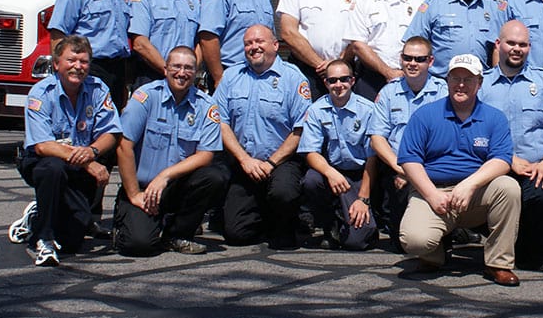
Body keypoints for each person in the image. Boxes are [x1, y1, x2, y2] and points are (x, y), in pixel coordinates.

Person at [396, 53, 521, 286]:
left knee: (508, 187)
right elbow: (409, 159)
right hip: (433, 191)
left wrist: (469, 184)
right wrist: (432, 195)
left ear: (480, 83)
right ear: (447, 80)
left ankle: (498, 264)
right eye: (455, 78)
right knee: (414, 241)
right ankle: (435, 255)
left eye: (468, 79)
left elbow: (502, 160)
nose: (461, 84)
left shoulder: (494, 117)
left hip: (475, 194)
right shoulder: (425, 115)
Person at [8, 36, 121, 266]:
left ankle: (37, 215)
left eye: (84, 62)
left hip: (79, 163)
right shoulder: (41, 93)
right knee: (53, 168)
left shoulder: (98, 89)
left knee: (72, 241)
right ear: (57, 64)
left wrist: (93, 151)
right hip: (44, 162)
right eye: (71, 60)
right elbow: (42, 145)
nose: (77, 67)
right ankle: (44, 239)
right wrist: (88, 162)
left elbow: (112, 132)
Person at [479, 20, 543, 271]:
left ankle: (532, 249)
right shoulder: (481, 85)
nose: (516, 49)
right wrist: (508, 160)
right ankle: (505, 244)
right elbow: (472, 133)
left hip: (537, 166)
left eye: (523, 44)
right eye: (511, 43)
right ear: (498, 45)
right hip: (494, 166)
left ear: (529, 47)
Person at [113, 46, 227, 256]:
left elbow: (206, 155)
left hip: (175, 186)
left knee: (214, 176)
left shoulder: (206, 106)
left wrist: (165, 176)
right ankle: (125, 220)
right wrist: (134, 194)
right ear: (165, 68)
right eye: (176, 66)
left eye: (188, 68)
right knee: (138, 246)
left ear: (196, 72)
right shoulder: (145, 97)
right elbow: (124, 146)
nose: (182, 73)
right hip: (143, 189)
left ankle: (177, 234)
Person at [213, 24, 313, 249]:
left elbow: (300, 129)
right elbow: (220, 121)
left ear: (275, 46)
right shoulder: (231, 76)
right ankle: (262, 214)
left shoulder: (293, 78)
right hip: (244, 162)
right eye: (248, 43)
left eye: (260, 42)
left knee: (283, 195)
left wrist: (271, 163)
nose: (253, 47)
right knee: (237, 234)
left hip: (281, 162)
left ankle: (288, 221)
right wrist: (244, 160)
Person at [369, 37, 448, 249]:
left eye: (419, 59)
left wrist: (415, 173)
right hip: (397, 170)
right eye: (408, 58)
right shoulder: (388, 93)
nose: (413, 63)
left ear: (430, 61)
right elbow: (377, 138)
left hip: (433, 168)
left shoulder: (443, 92)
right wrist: (401, 168)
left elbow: (450, 138)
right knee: (400, 243)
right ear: (401, 59)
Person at [299, 59, 379, 250]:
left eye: (344, 79)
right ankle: (330, 225)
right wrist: (330, 172)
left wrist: (363, 199)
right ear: (325, 83)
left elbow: (372, 158)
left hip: (362, 175)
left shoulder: (367, 110)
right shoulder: (316, 110)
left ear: (352, 80)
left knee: (357, 242)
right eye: (332, 80)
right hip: (334, 175)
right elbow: (310, 152)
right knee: (311, 180)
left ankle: (365, 223)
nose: (338, 85)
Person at [403, 0, 509, 77]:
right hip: (442, 84)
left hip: (480, 84)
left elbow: (501, 48)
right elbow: (413, 45)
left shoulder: (494, 8)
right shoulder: (434, 5)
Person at [346, 0, 425, 99]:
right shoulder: (364, 0)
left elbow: (423, 42)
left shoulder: (416, 0)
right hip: (371, 79)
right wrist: (388, 72)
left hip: (409, 77)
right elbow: (358, 45)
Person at [128, 0, 201, 87]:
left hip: (185, 81)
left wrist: (189, 72)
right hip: (151, 77)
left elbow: (201, 43)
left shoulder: (192, 0)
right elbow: (140, 44)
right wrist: (169, 72)